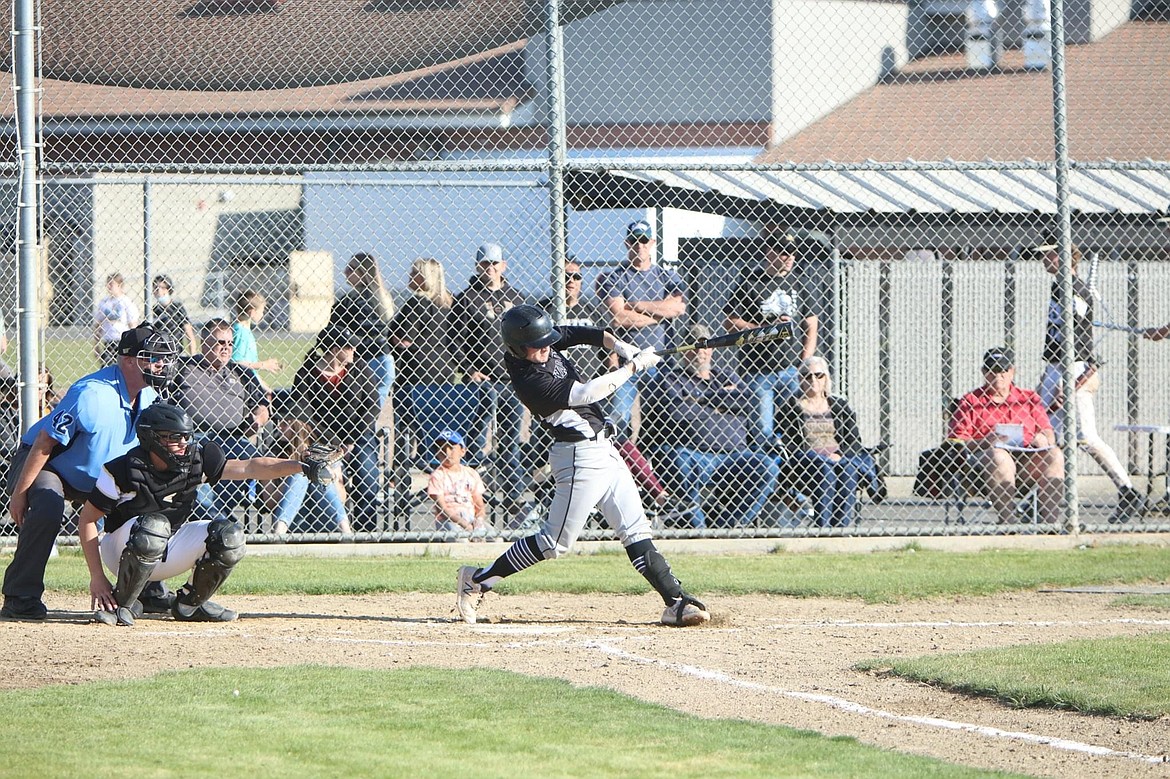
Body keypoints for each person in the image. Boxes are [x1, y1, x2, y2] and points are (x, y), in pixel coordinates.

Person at [455, 304, 710, 627]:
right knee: (555, 543)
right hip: (578, 459)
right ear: (518, 348)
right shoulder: (530, 379)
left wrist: (619, 346)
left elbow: (580, 334)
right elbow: (588, 391)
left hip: (606, 450)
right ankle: (478, 580)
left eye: (548, 341)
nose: (547, 348)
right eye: (538, 345)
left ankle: (675, 602)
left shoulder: (540, 345)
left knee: (635, 531)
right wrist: (634, 367)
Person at [80, 403, 338, 626]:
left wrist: (299, 466)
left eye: (185, 438)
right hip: (121, 549)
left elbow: (249, 467)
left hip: (168, 543)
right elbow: (88, 520)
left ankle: (189, 605)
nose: (182, 445)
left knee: (230, 536)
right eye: (173, 438)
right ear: (151, 439)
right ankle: (122, 603)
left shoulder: (197, 459)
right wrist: (98, 577)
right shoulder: (123, 470)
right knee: (154, 526)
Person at [1, 325, 178, 620]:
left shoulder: (148, 397)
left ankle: (145, 587)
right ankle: (21, 594)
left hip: (96, 473)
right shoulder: (92, 394)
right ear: (129, 360)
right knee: (47, 504)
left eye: (164, 358)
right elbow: (45, 442)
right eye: (153, 358)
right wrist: (19, 495)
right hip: (50, 464)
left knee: (144, 505)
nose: (162, 365)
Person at [1034, 234, 1143, 524]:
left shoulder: (1072, 288)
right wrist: (1048, 377)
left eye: (1050, 254)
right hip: (1056, 368)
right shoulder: (1060, 287)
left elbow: (1079, 336)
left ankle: (1128, 490)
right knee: (1045, 435)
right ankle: (1038, 499)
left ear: (1065, 256)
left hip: (1074, 368)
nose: (1044, 259)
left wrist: (1070, 381)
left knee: (1085, 437)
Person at [640, 323, 780, 528]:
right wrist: (722, 400)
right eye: (694, 345)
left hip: (734, 456)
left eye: (705, 345)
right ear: (684, 350)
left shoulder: (725, 375)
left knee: (767, 467)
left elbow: (748, 401)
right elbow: (677, 412)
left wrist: (701, 399)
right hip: (693, 454)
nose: (700, 351)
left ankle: (727, 528)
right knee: (676, 459)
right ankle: (698, 531)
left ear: (712, 349)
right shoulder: (672, 379)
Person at [723, 226, 824, 449]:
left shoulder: (800, 282)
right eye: (783, 252)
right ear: (770, 252)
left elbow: (811, 324)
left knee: (794, 427)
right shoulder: (750, 280)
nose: (789, 257)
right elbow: (730, 322)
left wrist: (804, 363)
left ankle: (792, 476)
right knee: (762, 430)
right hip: (758, 370)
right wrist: (765, 328)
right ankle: (766, 476)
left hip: (791, 369)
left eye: (792, 252)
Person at [450, 242, 528, 518]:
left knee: (509, 441)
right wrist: (469, 369)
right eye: (485, 264)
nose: (490, 269)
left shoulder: (516, 297)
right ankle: (468, 497)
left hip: (511, 380)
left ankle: (514, 498)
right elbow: (454, 341)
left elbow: (527, 338)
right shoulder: (466, 299)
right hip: (481, 381)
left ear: (503, 266)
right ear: (477, 266)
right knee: (473, 440)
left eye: (495, 263)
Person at [948, 347, 1065, 527]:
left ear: (1012, 372)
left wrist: (1043, 438)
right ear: (984, 373)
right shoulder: (970, 401)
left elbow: (1048, 432)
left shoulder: (1029, 398)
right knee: (999, 456)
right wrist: (984, 442)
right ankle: (1008, 522)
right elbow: (956, 442)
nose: (998, 376)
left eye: (1003, 371)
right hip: (986, 465)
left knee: (1055, 454)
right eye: (992, 371)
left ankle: (1050, 525)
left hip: (1027, 460)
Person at [171, 318, 271, 522]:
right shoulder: (183, 367)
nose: (226, 348)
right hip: (192, 438)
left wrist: (258, 419)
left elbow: (262, 405)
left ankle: (218, 516)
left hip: (232, 438)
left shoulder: (242, 373)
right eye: (220, 343)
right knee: (198, 467)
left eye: (229, 343)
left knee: (251, 458)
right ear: (204, 342)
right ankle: (215, 519)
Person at [596, 220, 687, 438]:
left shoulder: (667, 276)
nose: (640, 245)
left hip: (660, 358)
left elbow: (678, 308)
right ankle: (620, 461)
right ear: (627, 243)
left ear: (652, 242)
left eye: (644, 240)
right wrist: (659, 313)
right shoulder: (614, 277)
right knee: (619, 418)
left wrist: (636, 305)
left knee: (659, 419)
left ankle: (650, 467)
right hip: (628, 359)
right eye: (635, 240)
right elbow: (619, 317)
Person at [289, 324, 381, 530]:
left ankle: (366, 530)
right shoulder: (308, 373)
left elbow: (373, 406)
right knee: (317, 471)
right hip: (319, 438)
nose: (353, 351)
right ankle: (324, 526)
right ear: (332, 349)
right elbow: (303, 413)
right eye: (347, 347)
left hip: (358, 434)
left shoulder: (359, 369)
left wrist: (350, 440)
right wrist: (332, 442)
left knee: (367, 475)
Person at [774, 355, 881, 528]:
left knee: (849, 469)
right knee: (825, 468)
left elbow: (853, 440)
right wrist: (817, 456)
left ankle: (840, 529)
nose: (813, 380)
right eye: (807, 375)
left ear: (826, 378)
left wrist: (839, 454)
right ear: (800, 380)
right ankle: (823, 528)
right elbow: (788, 443)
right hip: (807, 462)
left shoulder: (838, 405)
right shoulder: (791, 407)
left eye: (818, 375)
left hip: (837, 458)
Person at [389, 258, 458, 522]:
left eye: (414, 273)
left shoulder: (416, 303)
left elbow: (403, 340)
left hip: (414, 376)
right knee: (436, 429)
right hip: (443, 376)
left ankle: (400, 475)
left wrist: (393, 338)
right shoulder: (449, 304)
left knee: (406, 430)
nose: (409, 276)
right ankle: (439, 472)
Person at [328, 252, 396, 413]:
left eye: (351, 269)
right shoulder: (384, 298)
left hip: (361, 362)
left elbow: (333, 332)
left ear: (363, 273)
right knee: (373, 414)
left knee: (359, 415)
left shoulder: (349, 301)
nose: (345, 272)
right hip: (384, 360)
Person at [262, 417, 350, 535]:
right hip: (292, 520)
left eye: (284, 423)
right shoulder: (273, 453)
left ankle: (346, 532)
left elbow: (342, 499)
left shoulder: (324, 451)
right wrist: (291, 479)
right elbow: (270, 502)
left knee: (318, 473)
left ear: (299, 424)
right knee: (299, 476)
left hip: (326, 517)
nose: (279, 427)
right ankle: (278, 534)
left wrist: (330, 477)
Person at [426, 429, 487, 541]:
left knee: (496, 539)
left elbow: (479, 505)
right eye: (442, 449)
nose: (447, 452)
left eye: (451, 447)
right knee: (462, 540)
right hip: (449, 519)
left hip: (471, 517)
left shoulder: (471, 473)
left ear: (462, 451)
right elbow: (442, 508)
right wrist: (465, 525)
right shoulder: (437, 476)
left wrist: (478, 521)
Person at [231, 290, 282, 389]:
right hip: (242, 385)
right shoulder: (241, 332)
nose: (263, 314)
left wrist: (263, 386)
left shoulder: (245, 331)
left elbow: (250, 368)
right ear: (252, 312)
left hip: (249, 382)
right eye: (261, 311)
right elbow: (237, 363)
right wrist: (263, 365)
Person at [93, 273, 140, 367]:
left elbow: (132, 325)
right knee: (107, 367)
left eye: (111, 284)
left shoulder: (126, 302)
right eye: (107, 284)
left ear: (119, 285)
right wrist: (96, 345)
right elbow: (98, 325)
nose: (108, 286)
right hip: (109, 341)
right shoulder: (104, 302)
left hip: (122, 340)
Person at [151, 274, 198, 355]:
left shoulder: (177, 307)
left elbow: (189, 332)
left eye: (162, 288)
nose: (158, 291)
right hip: (159, 351)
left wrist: (192, 355)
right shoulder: (155, 309)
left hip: (176, 351)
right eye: (156, 288)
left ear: (169, 289)